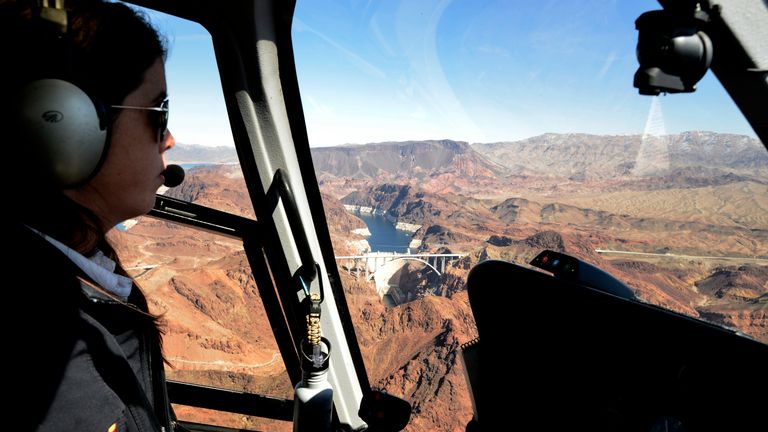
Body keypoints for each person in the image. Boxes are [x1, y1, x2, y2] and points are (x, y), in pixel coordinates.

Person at [1, 0, 177, 430]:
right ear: (63, 129)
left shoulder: (81, 273)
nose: (170, 140)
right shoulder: (47, 353)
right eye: (159, 113)